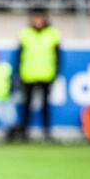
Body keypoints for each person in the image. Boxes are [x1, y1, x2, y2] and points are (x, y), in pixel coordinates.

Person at [17, 8, 61, 141]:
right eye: (35, 18)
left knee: (45, 105)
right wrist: (19, 72)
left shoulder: (53, 33)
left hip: (46, 75)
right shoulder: (25, 33)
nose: (37, 21)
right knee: (27, 105)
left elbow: (58, 56)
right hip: (28, 74)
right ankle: (24, 132)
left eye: (40, 17)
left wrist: (56, 72)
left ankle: (46, 132)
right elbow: (19, 55)